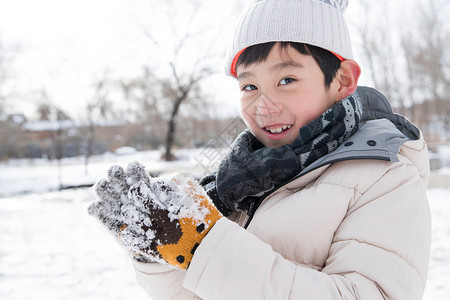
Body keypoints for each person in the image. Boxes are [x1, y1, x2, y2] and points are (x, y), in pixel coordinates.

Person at [88, 0, 431, 299]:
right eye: (250, 85)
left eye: (286, 80)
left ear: (341, 80)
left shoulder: (386, 178)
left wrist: (204, 247)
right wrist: (158, 252)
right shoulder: (236, 182)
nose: (264, 106)